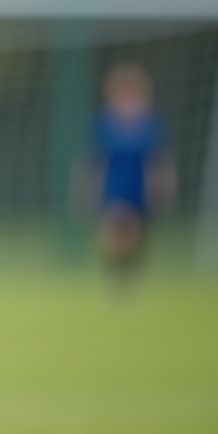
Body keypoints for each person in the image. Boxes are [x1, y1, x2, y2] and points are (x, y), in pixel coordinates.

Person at [74, 61, 177, 282]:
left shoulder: (151, 124)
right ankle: (114, 274)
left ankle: (129, 274)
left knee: (134, 235)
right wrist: (86, 192)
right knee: (112, 229)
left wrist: (163, 190)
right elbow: (93, 163)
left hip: (139, 187)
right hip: (114, 186)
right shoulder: (103, 123)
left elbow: (159, 162)